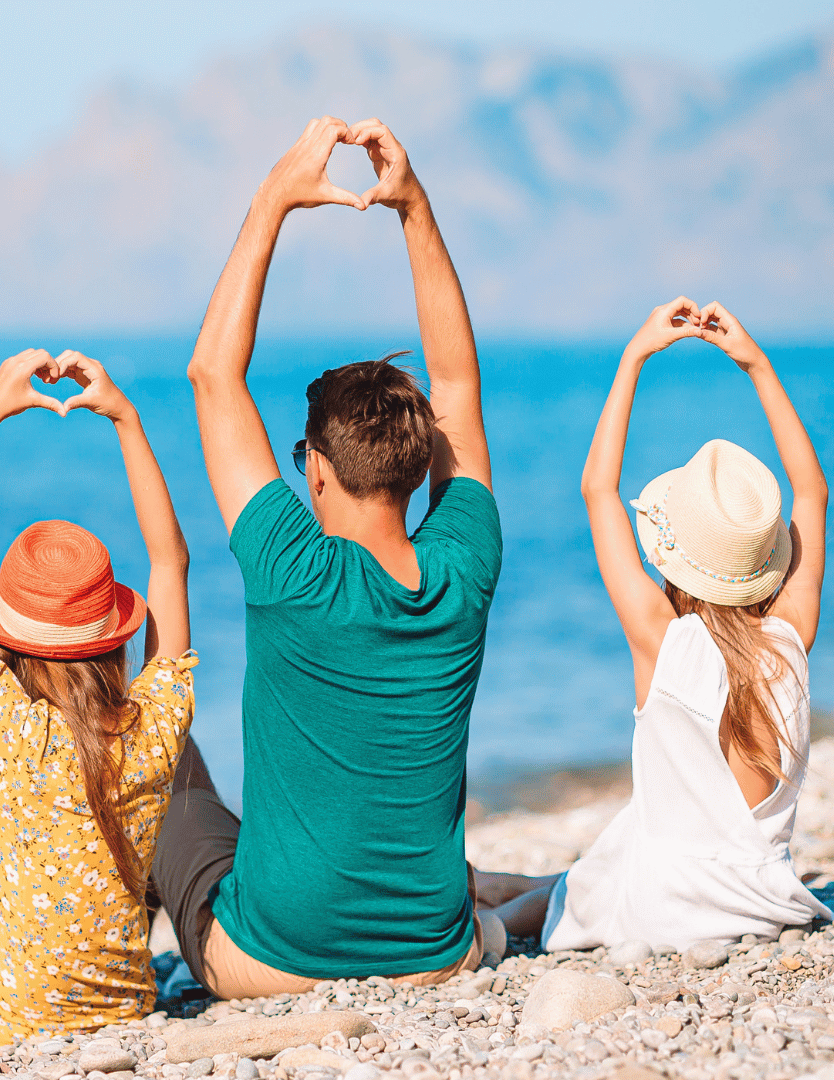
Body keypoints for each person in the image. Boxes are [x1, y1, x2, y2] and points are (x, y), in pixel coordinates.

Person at [153, 116, 502, 999]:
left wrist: (274, 196)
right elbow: (456, 385)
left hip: (270, 964)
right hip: (433, 953)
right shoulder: (464, 567)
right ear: (424, 464)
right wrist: (414, 208)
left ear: (310, 467)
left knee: (165, 772)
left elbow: (212, 376)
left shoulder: (291, 572)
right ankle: (500, 914)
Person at [476, 298, 834, 949]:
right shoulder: (791, 641)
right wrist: (757, 366)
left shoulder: (665, 643)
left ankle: (490, 918)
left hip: (661, 910)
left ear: (676, 562)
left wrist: (633, 358)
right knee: (610, 859)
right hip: (762, 902)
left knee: (601, 877)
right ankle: (505, 886)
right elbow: (812, 492)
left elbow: (598, 489)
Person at [0, 348, 195, 1050]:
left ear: (5, 641)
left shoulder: (11, 729)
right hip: (125, 1012)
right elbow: (170, 561)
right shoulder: (159, 726)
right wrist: (127, 420)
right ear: (114, 637)